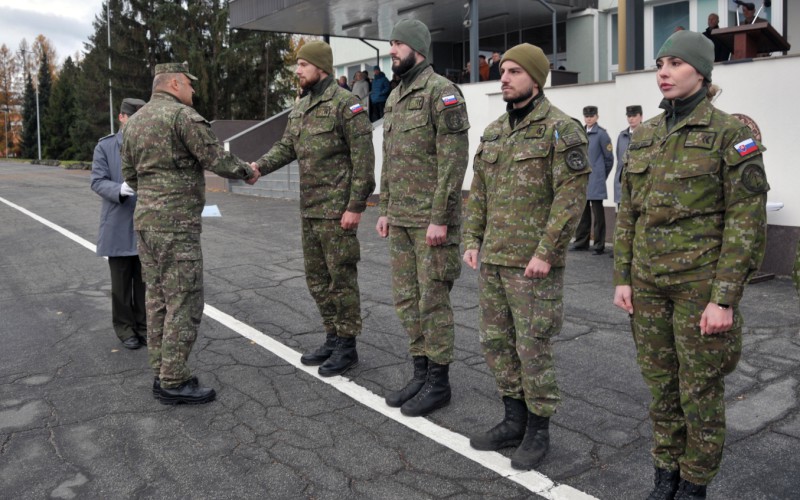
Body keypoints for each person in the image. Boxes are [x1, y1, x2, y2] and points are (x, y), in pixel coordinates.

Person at [613, 30, 769, 499]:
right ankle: (666, 477)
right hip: (648, 286)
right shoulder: (645, 136)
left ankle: (694, 484)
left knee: (698, 392)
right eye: (661, 63)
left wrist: (724, 297)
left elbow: (746, 221)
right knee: (661, 388)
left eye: (676, 63)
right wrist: (622, 276)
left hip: (698, 290)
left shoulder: (730, 134)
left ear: (700, 72)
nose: (663, 71)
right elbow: (628, 214)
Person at [463, 43, 590, 470]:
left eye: (514, 71)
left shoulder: (561, 130)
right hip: (495, 260)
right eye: (502, 70)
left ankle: (538, 430)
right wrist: (472, 239)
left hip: (533, 265)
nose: (504, 77)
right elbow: (478, 191)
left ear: (535, 79)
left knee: (532, 346)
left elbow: (570, 200)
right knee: (496, 343)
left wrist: (547, 253)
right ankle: (512, 419)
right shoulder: (496, 130)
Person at [121, 61, 260, 405]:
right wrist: (247, 171)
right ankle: (173, 379)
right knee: (184, 299)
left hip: (146, 223)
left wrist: (155, 197)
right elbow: (215, 158)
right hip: (176, 226)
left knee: (156, 299)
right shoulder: (182, 117)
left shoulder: (134, 123)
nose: (193, 92)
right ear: (175, 83)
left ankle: (162, 371)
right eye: (190, 85)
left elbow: (130, 176)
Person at [253, 41, 375, 377]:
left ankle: (348, 346)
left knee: (342, 279)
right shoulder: (301, 106)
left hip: (338, 212)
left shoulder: (345, 104)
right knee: (317, 280)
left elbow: (364, 161)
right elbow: (285, 147)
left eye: (304, 64)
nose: (298, 70)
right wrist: (259, 168)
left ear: (321, 67)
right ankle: (332, 336)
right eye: (298, 65)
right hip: (309, 209)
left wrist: (356, 206)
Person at [375, 19, 470, 417]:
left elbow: (454, 162)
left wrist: (441, 217)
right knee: (406, 301)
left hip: (431, 223)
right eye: (391, 44)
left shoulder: (442, 92)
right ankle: (420, 371)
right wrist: (384, 208)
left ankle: (439, 382)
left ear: (417, 48)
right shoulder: (396, 96)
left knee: (433, 302)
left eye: (397, 44)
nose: (392, 50)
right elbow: (391, 159)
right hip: (400, 218)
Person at [91, 97, 148, 350]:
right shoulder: (105, 147)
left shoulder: (149, 143)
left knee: (145, 282)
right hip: (118, 222)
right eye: (132, 119)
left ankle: (145, 326)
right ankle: (125, 329)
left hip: (147, 223)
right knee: (121, 284)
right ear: (121, 118)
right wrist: (119, 189)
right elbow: (97, 181)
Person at [571, 105, 613, 255]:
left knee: (598, 214)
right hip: (583, 178)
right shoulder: (580, 132)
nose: (589, 119)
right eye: (586, 116)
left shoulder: (602, 134)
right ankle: (581, 242)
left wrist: (601, 175)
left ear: (597, 117)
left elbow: (609, 159)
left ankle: (599, 245)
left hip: (596, 179)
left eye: (591, 116)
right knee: (583, 213)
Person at [612, 105, 643, 207]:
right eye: (629, 116)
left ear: (641, 117)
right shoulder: (622, 136)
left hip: (640, 183)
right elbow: (619, 158)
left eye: (634, 115)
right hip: (622, 183)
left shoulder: (647, 134)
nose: (631, 119)